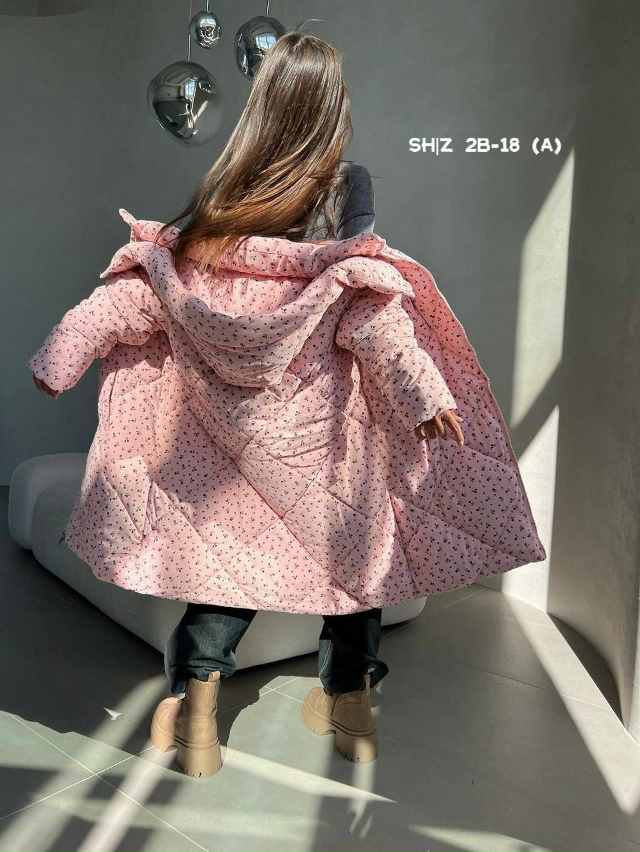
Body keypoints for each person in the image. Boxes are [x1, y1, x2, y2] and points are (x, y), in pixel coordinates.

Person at [29, 27, 543, 780]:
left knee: (223, 574)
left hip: (227, 443)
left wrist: (61, 355)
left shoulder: (224, 192)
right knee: (359, 563)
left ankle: (197, 712)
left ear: (261, 107)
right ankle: (351, 710)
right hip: (326, 439)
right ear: (334, 109)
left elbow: (143, 296)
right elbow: (368, 306)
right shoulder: (349, 187)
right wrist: (421, 391)